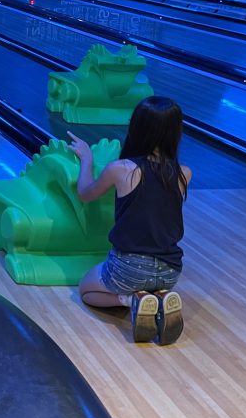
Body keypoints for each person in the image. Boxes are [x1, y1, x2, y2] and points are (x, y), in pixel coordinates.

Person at [69, 96, 192, 345]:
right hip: (170, 271)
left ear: (136, 128)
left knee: (86, 290)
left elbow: (85, 193)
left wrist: (87, 159)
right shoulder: (184, 173)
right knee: (152, 281)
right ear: (176, 133)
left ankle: (131, 300)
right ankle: (159, 298)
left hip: (129, 270)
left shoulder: (121, 168)